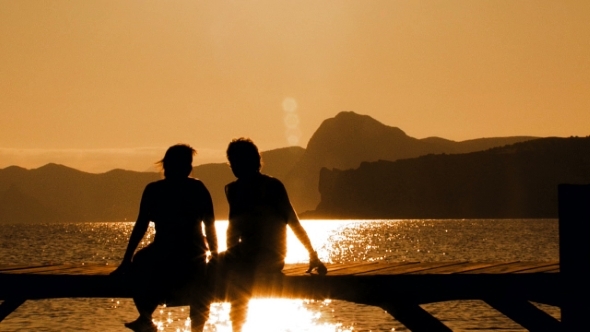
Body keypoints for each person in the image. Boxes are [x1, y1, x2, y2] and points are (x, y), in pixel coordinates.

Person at [217, 137, 327, 332]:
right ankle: (233, 327)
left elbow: (292, 221)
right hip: (244, 255)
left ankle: (236, 327)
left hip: (271, 256)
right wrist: (230, 256)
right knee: (215, 268)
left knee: (239, 277)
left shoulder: (272, 186)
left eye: (237, 161)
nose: (234, 167)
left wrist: (312, 254)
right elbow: (232, 230)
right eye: (232, 162)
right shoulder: (233, 189)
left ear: (252, 161)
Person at [111, 144, 218, 332]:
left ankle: (146, 316)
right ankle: (190, 327)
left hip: (174, 253)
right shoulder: (196, 188)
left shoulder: (156, 190)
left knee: (142, 262)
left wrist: (127, 259)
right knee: (197, 280)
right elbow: (210, 227)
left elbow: (141, 226)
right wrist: (215, 256)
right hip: (191, 253)